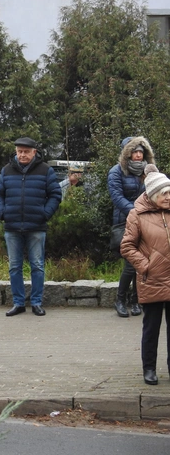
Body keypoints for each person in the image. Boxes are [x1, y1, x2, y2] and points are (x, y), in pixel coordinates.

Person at [0, 137, 62, 317]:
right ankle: (18, 303)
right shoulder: (6, 170)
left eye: (26, 151)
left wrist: (44, 214)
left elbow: (55, 194)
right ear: (16, 152)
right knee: (14, 266)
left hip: (36, 226)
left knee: (37, 266)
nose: (22, 155)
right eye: (19, 151)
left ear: (34, 152)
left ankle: (37, 302)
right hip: (12, 226)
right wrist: (2, 212)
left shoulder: (46, 170)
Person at [120, 164, 170, 385]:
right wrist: (146, 265)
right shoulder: (136, 215)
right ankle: (148, 368)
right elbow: (127, 246)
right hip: (152, 280)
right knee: (151, 327)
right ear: (152, 194)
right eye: (164, 193)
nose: (169, 197)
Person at [109, 136, 154, 318]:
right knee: (130, 264)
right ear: (127, 153)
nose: (137, 155)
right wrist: (136, 212)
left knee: (141, 263)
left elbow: (154, 192)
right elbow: (117, 197)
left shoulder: (148, 171)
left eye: (140, 152)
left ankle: (136, 300)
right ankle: (120, 300)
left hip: (146, 222)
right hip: (125, 222)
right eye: (134, 152)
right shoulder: (116, 172)